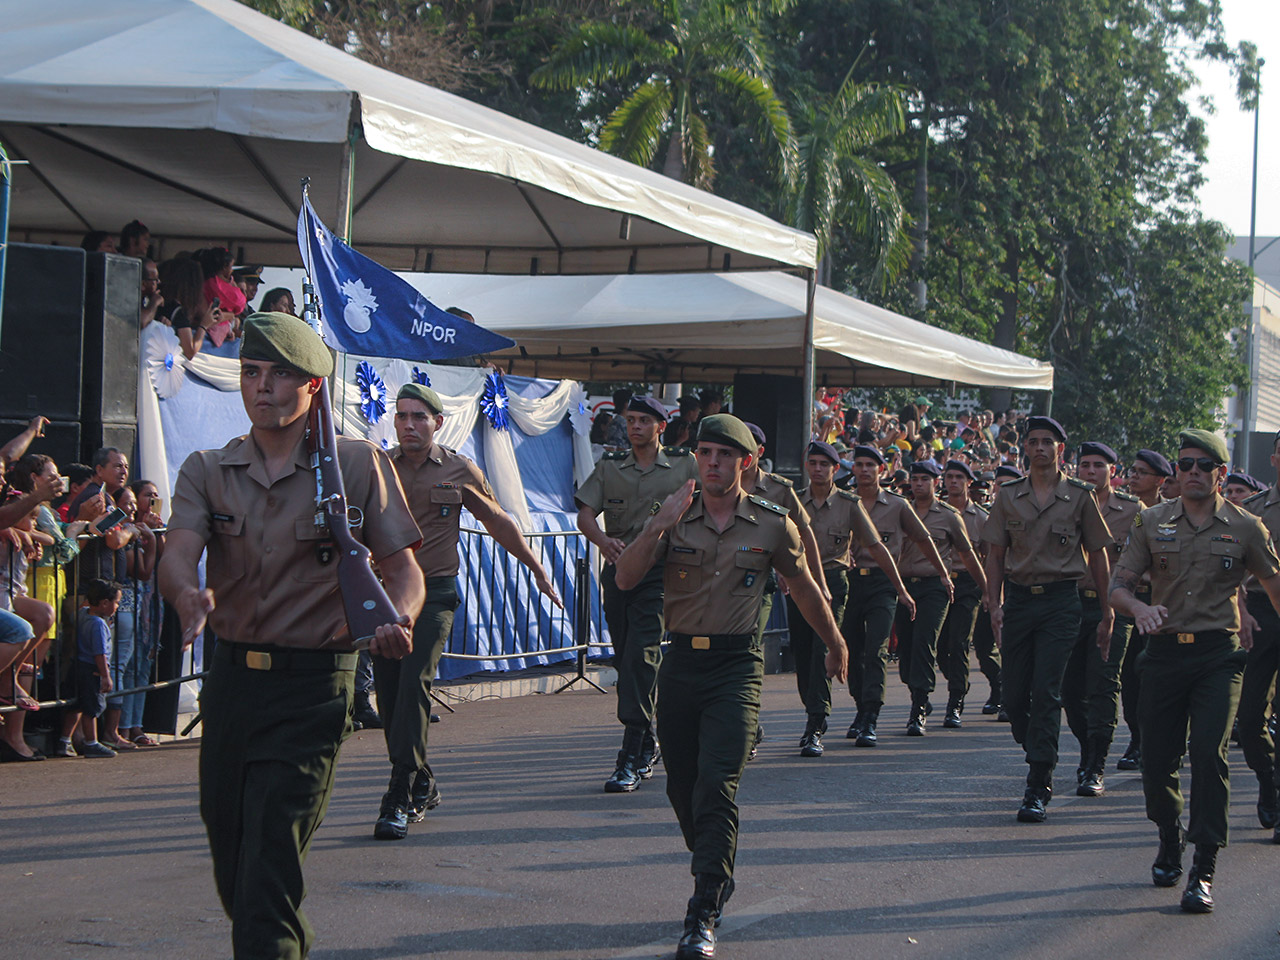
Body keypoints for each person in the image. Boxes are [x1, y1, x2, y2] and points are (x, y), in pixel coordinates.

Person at [159, 311, 425, 960]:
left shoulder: (358, 466)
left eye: (280, 375)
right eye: (251, 372)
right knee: (235, 863)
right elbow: (177, 552)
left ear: (312, 387)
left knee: (267, 867)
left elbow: (403, 569)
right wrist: (185, 592)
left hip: (312, 689)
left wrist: (400, 618)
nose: (262, 386)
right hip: (231, 688)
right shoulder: (207, 470)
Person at [613, 414, 848, 960]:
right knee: (682, 787)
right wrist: (656, 527)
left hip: (737, 668)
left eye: (723, 454)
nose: (712, 463)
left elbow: (806, 588)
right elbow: (625, 579)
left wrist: (835, 642)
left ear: (747, 462)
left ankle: (704, 904)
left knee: (717, 786)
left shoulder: (772, 522)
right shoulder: (672, 514)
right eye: (704, 453)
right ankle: (714, 863)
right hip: (680, 666)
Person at [373, 383, 563, 840]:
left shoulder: (458, 468)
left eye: (419, 417)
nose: (409, 425)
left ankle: (399, 791)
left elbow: (497, 521)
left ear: (437, 423)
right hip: (386, 597)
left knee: (415, 682)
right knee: (390, 697)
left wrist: (536, 566)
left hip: (436, 594)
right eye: (402, 416)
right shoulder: (378, 467)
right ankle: (422, 777)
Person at [1111, 429, 1280, 913]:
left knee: (1209, 753)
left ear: (1220, 474)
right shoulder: (1152, 522)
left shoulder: (1248, 527)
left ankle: (1203, 867)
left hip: (1218, 657)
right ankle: (1169, 834)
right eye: (1184, 464)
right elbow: (1119, 587)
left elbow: (1274, 588)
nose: (1190, 473)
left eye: (1202, 466)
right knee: (1159, 761)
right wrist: (1137, 611)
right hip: (1163, 655)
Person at [982, 416, 1113, 823]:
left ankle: (1038, 782)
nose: (1040, 447)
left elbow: (1098, 553)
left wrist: (1107, 610)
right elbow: (996, 554)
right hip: (1019, 602)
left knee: (1047, 690)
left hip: (1061, 602)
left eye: (1048, 442)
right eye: (1033, 441)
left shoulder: (1079, 496)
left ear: (1061, 449)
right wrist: (993, 604)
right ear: (1024, 448)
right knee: (1015, 696)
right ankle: (1036, 747)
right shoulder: (1008, 496)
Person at [575, 396, 697, 792]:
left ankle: (632, 747)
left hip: (661, 572)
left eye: (644, 421)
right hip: (621, 570)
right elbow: (584, 514)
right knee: (624, 654)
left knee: (643, 654)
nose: (635, 427)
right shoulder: (612, 467)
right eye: (630, 420)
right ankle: (646, 737)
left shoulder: (683, 465)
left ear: (662, 426)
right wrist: (603, 541)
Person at [791, 440, 910, 756]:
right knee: (802, 655)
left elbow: (876, 547)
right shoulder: (793, 502)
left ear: (834, 469)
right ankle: (814, 711)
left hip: (834, 583)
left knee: (823, 651)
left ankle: (817, 723)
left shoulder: (849, 504)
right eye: (813, 463)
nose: (817, 469)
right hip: (799, 583)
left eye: (824, 464)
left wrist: (900, 588)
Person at [844, 443, 940, 747]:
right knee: (853, 650)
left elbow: (923, 539)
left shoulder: (898, 505)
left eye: (869, 465)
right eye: (858, 465)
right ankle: (860, 708)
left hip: (885, 584)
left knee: (877, 649)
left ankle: (871, 715)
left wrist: (943, 574)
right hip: (849, 584)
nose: (863, 470)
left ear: (881, 470)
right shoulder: (843, 502)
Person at [1062, 441, 1141, 796]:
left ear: (1114, 470)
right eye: (1084, 465)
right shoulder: (1066, 505)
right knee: (1070, 689)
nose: (1090, 471)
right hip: (1070, 604)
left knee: (1103, 684)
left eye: (1098, 465)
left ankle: (1096, 763)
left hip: (1113, 607)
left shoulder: (1133, 510)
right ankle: (1086, 747)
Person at [894, 460, 979, 735]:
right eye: (915, 479)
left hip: (937, 587)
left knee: (931, 643)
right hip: (904, 586)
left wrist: (989, 590)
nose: (919, 484)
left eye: (925, 479)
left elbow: (969, 555)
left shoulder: (948, 515)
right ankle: (916, 687)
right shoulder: (898, 511)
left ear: (935, 482)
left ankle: (927, 705)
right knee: (906, 649)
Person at [1116, 448, 1174, 771]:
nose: (1133, 476)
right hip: (1129, 604)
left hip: (1161, 604)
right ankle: (1137, 739)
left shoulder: (1172, 515)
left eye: (1142, 472)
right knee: (1130, 675)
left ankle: (1159, 740)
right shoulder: (1123, 512)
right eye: (1132, 470)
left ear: (1160, 481)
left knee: (1160, 675)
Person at [1238, 434, 1280, 837]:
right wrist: (1242, 611)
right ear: (1274, 458)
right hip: (1262, 612)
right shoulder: (1252, 511)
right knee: (1250, 719)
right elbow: (1231, 569)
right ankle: (1267, 782)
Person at [938, 460, 992, 727]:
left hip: (969, 584)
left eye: (959, 477)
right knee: (938, 646)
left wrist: (990, 593)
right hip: (939, 583)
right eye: (949, 477)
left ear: (969, 482)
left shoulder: (981, 518)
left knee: (959, 642)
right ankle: (958, 681)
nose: (953, 482)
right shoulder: (935, 512)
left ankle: (956, 699)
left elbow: (991, 558)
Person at [55, 579, 122, 759]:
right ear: (104, 603)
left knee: (75, 706)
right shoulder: (98, 625)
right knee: (91, 708)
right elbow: (99, 653)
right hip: (92, 669)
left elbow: (78, 612)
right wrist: (105, 676)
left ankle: (64, 740)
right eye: (116, 602)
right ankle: (91, 742)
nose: (117, 607)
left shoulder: (83, 613)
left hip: (77, 666)